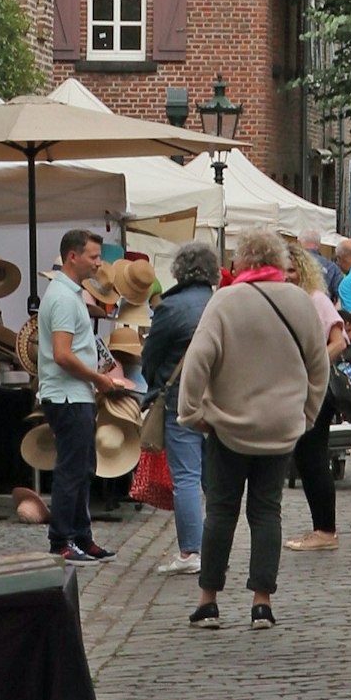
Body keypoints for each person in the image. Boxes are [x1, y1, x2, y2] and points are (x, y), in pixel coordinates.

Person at [176, 230, 326, 630]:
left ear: (241, 262)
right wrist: (305, 416)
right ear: (278, 262)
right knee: (267, 511)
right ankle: (262, 602)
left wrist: (191, 413)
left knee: (221, 512)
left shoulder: (224, 301)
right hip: (280, 427)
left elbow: (197, 361)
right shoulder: (300, 301)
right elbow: (319, 368)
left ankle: (208, 600)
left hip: (228, 426)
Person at [38, 229, 132, 565]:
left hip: (75, 393)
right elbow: (62, 354)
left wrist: (101, 371)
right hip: (66, 395)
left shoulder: (73, 294)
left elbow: (76, 348)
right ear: (73, 256)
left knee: (83, 466)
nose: (98, 263)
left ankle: (80, 536)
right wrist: (98, 379)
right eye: (93, 256)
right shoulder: (63, 298)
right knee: (71, 469)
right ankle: (61, 539)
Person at [140, 240, 218, 575]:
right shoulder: (219, 303)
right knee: (212, 478)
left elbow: (150, 357)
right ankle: (216, 545)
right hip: (217, 401)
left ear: (179, 270)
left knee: (185, 476)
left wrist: (154, 383)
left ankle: (191, 552)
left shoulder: (171, 308)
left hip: (179, 401)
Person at [285, 244, 348, 552]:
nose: (287, 275)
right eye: (282, 270)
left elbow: (340, 341)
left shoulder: (316, 300)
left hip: (316, 389)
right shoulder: (287, 301)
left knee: (313, 458)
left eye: (292, 269)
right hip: (296, 388)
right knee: (306, 458)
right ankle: (321, 527)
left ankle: (325, 530)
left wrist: (313, 364)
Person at [300, 229, 344, 300]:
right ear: (319, 245)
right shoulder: (331, 267)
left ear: (298, 242)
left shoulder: (290, 263)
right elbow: (342, 296)